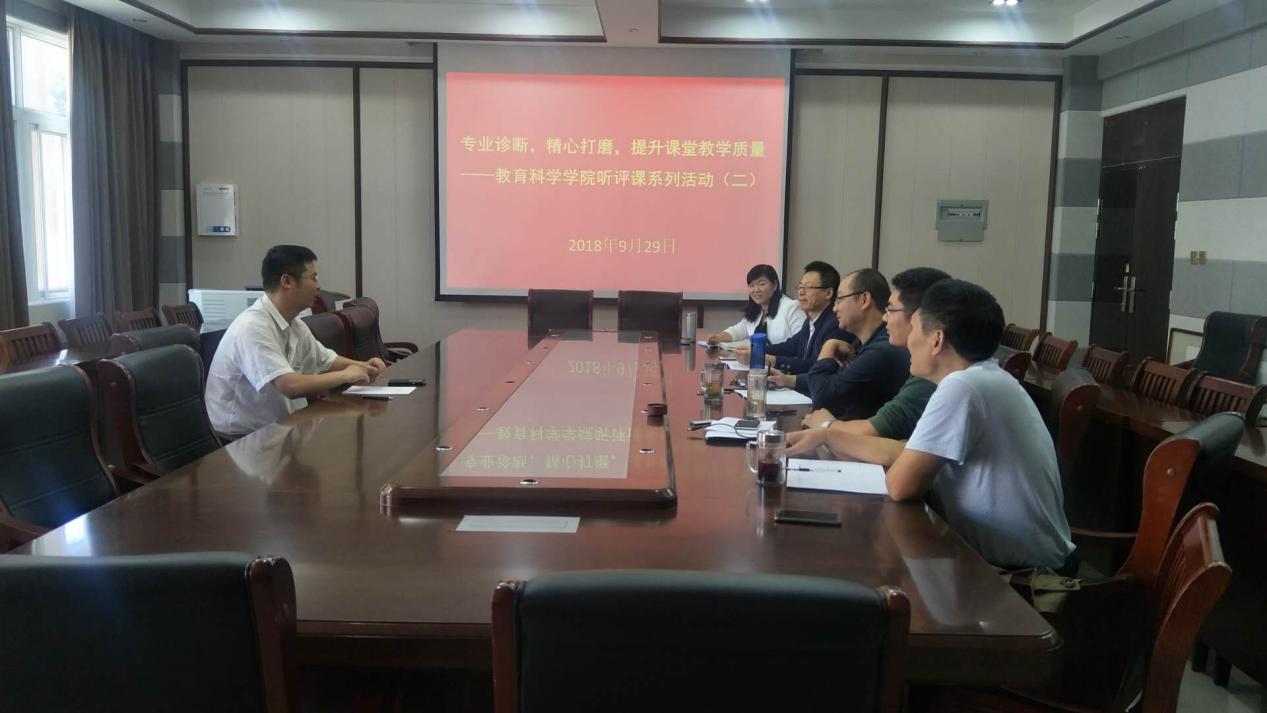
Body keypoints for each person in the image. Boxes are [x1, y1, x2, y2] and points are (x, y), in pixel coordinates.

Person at [848, 279, 1074, 571]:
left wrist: (830, 434)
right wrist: (826, 436)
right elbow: (908, 453)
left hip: (1020, 579)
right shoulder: (986, 377)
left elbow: (900, 486)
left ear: (936, 339)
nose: (908, 340)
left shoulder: (963, 386)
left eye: (914, 329)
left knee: (875, 564)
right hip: (1002, 562)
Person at [206, 245, 388, 438]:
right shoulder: (253, 327)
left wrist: (364, 366)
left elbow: (325, 360)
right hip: (242, 440)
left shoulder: (293, 323)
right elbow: (289, 386)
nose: (318, 286)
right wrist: (345, 375)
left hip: (280, 428)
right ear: (287, 281)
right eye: (313, 278)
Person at [791, 267, 948, 446]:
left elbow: (825, 397)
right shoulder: (867, 344)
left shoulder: (892, 355)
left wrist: (827, 426)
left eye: (891, 310)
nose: (885, 318)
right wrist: (787, 380)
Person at [794, 268, 909, 420]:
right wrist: (787, 380)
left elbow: (822, 397)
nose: (835, 308)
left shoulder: (882, 350)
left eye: (840, 299)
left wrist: (828, 346)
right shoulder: (861, 342)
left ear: (864, 300)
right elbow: (839, 379)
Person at [737, 260, 851, 391]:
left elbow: (816, 366)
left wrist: (770, 360)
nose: (801, 292)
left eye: (808, 287)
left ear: (828, 293)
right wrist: (757, 351)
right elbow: (791, 346)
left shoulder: (835, 324)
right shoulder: (811, 321)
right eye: (800, 287)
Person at [704, 264, 805, 347]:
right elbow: (737, 331)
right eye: (752, 285)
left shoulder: (791, 307)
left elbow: (802, 343)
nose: (756, 290)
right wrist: (718, 338)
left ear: (774, 285)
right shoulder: (757, 311)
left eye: (761, 284)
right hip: (758, 363)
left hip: (783, 364)